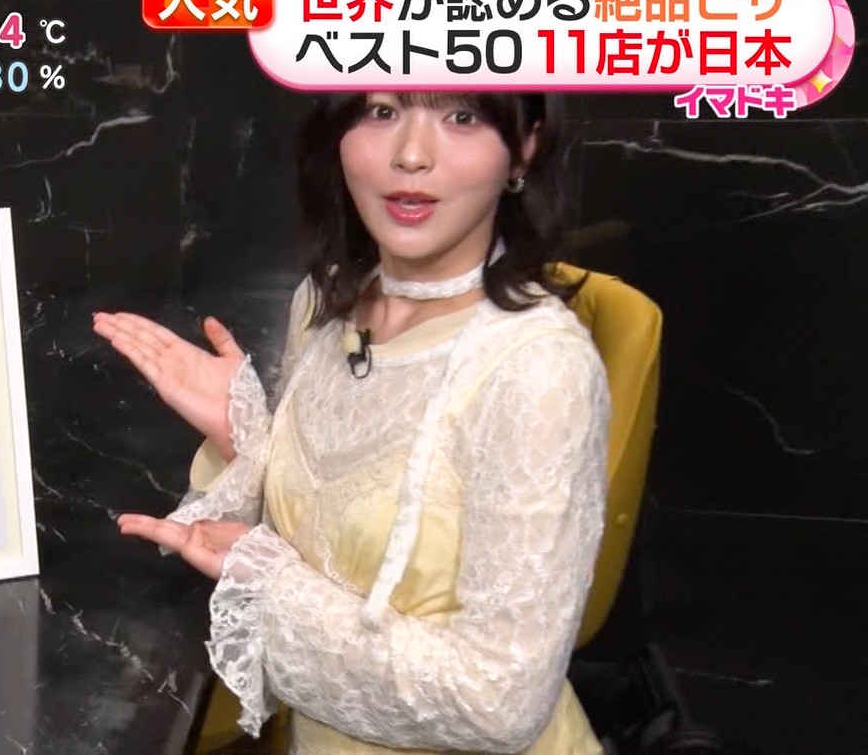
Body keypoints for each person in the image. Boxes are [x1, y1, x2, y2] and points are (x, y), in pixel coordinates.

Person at [92, 90, 612, 754]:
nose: (411, 155)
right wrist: (241, 431)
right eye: (381, 111)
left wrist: (271, 586)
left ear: (525, 149)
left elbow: (499, 705)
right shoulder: (325, 301)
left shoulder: (538, 369)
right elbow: (328, 528)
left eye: (462, 117)